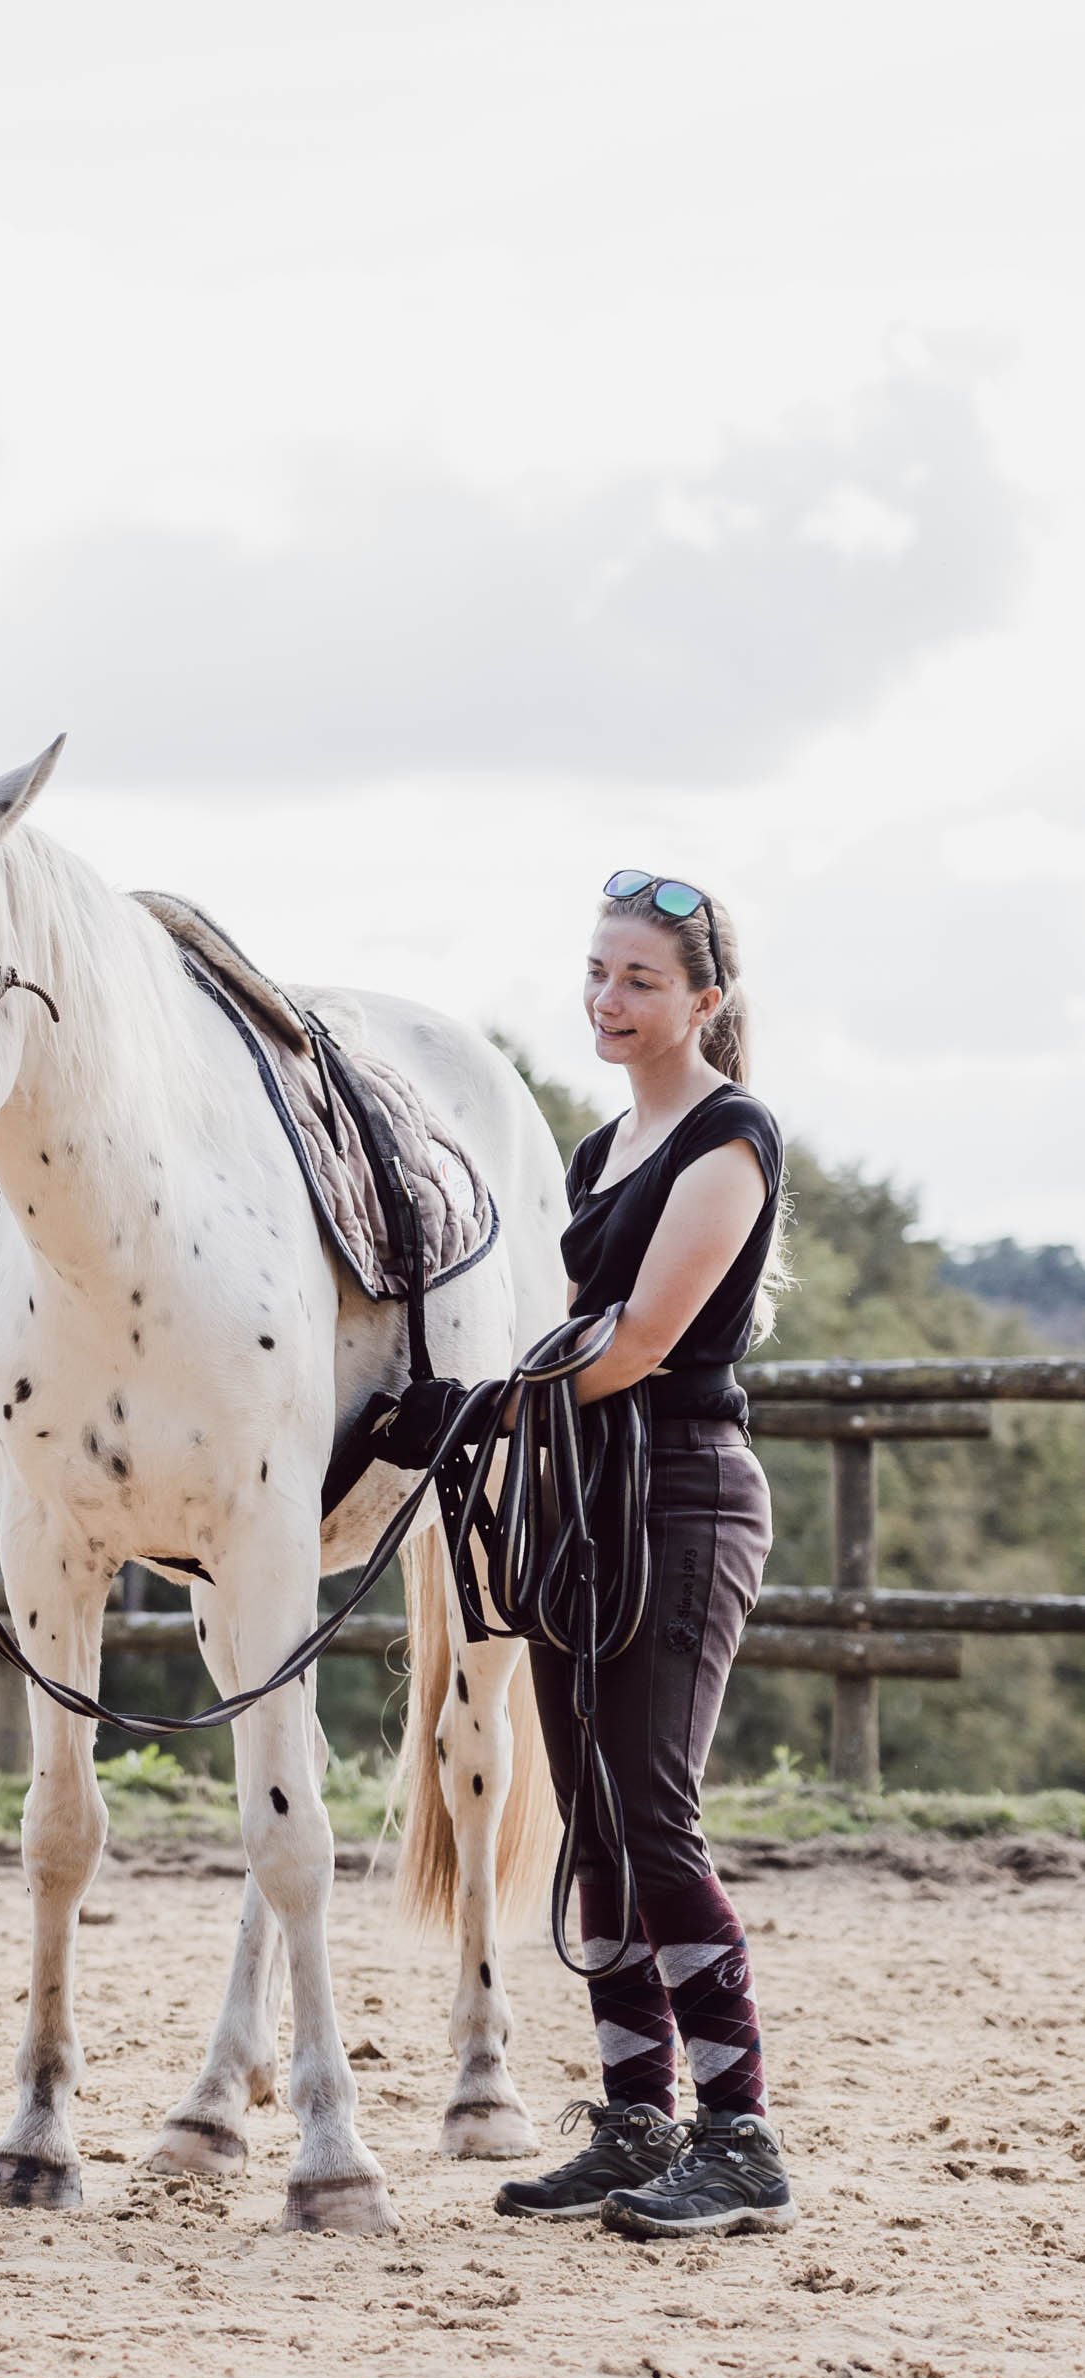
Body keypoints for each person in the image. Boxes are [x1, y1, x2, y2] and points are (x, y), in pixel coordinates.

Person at [493, 870, 797, 2239]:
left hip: (684, 1495)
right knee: (598, 1827)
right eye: (599, 974)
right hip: (592, 1498)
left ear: (705, 1002)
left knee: (656, 1815)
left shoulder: (729, 1140)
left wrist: (476, 1412)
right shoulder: (601, 1147)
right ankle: (634, 2119)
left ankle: (741, 2142)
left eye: (640, 982)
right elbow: (563, 1335)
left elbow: (633, 1346)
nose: (607, 1002)